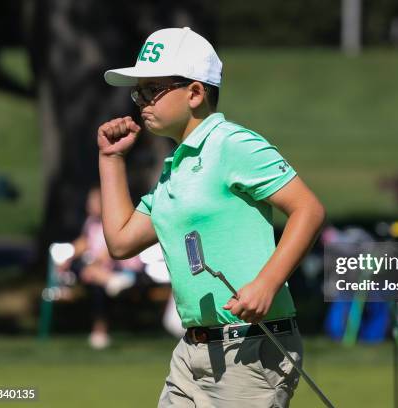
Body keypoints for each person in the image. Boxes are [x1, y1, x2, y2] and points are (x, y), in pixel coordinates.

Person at [98, 27, 325, 407]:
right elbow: (120, 241)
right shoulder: (175, 169)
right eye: (139, 92)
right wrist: (110, 159)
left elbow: (309, 210)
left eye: (152, 90)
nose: (142, 102)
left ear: (195, 93)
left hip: (250, 351)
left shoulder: (233, 144)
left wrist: (267, 284)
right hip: (191, 354)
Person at [58, 187, 143, 349]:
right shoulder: (91, 222)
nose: (90, 205)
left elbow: (112, 251)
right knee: (86, 274)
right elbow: (84, 242)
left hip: (124, 270)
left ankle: (100, 330)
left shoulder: (113, 222)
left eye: (94, 201)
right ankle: (108, 281)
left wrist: (93, 266)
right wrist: (67, 258)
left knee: (93, 280)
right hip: (104, 272)